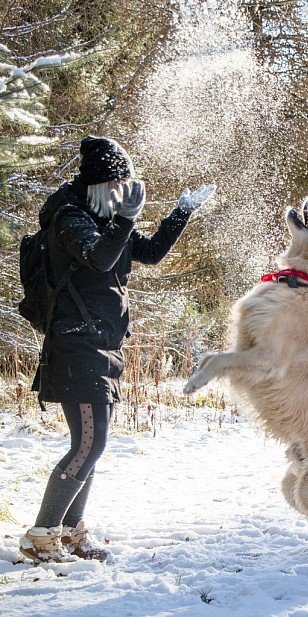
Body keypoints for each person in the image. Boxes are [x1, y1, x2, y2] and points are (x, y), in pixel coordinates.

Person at [19, 135, 216, 564]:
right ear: (100, 187)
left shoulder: (103, 219)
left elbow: (150, 253)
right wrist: (126, 218)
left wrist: (181, 212)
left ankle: (69, 531)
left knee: (91, 445)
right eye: (119, 186)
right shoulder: (70, 219)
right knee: (89, 444)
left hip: (100, 345)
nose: (125, 193)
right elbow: (100, 258)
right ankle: (41, 536)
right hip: (74, 345)